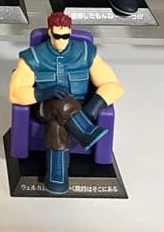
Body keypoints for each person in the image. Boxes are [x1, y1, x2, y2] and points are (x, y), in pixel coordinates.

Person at [9, 12, 124, 195]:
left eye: (65, 36)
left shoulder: (86, 52)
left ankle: (57, 178)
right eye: (57, 36)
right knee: (60, 104)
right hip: (44, 107)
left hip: (78, 108)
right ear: (50, 32)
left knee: (57, 124)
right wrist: (44, 92)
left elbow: (113, 85)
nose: (61, 40)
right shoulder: (33, 57)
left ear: (70, 32)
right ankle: (86, 131)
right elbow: (16, 93)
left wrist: (91, 110)